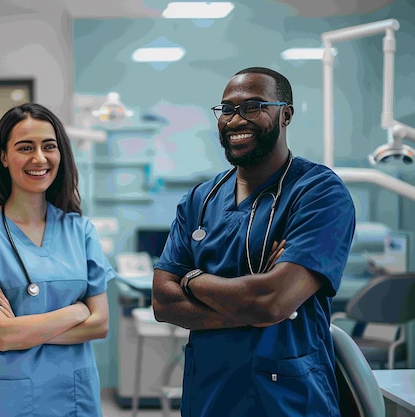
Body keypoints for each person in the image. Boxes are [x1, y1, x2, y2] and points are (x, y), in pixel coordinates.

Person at [152, 67, 356, 417]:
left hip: (288, 399)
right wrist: (253, 305)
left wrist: (191, 279)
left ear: (285, 114)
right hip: (209, 396)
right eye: (227, 109)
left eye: (253, 107)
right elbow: (163, 303)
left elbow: (270, 301)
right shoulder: (200, 200)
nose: (235, 120)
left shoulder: (318, 193)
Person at [0, 102, 115, 417]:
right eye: (25, 147)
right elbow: (2, 335)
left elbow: (101, 325)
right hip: (9, 398)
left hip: (73, 395)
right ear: (4, 157)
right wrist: (78, 310)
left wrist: (22, 332)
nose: (39, 158)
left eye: (48, 146)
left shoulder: (80, 230)